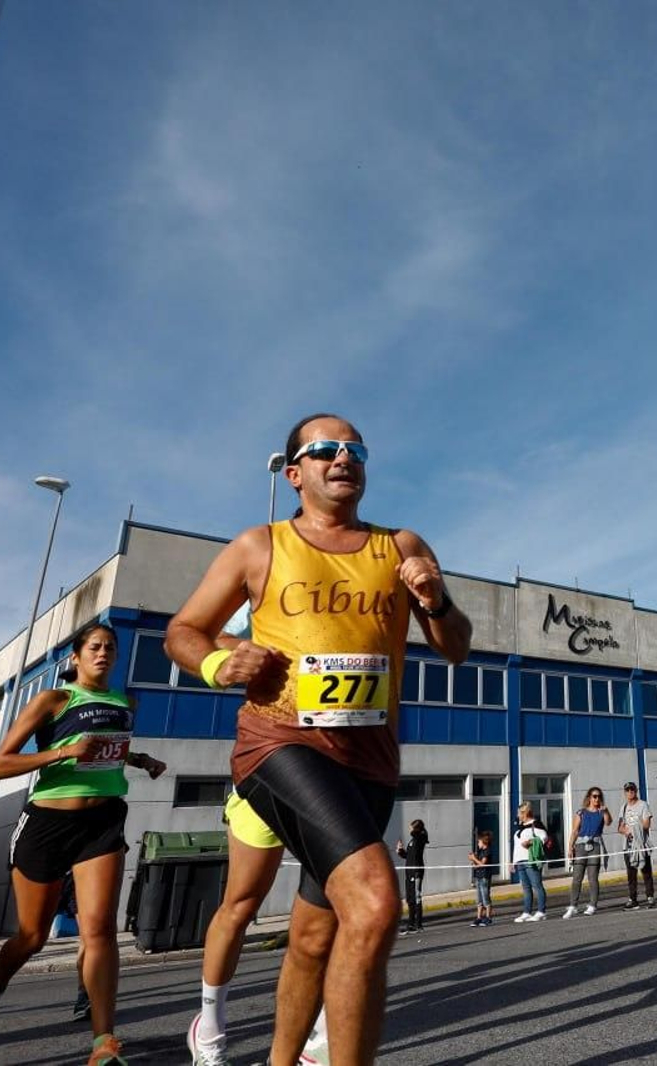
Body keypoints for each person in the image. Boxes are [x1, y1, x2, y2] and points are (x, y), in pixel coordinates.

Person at [164, 413, 472, 1066]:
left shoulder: (403, 546)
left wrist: (436, 600)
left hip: (371, 764)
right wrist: (222, 663)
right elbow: (183, 631)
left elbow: (456, 650)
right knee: (375, 900)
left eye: (354, 448)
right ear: (295, 472)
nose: (342, 457)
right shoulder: (259, 545)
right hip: (280, 744)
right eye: (325, 449)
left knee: (313, 935)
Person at [0, 623, 167, 1065]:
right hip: (48, 822)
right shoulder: (53, 700)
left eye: (110, 647)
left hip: (103, 821)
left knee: (100, 929)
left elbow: (106, 749)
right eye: (95, 647)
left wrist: (139, 759)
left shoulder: (124, 703)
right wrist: (61, 753)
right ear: (77, 656)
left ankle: (103, 1043)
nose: (103, 653)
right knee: (31, 936)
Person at [188, 626, 328, 1066]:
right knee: (242, 904)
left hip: (332, 777)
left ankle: (318, 1034)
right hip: (269, 769)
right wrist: (245, 654)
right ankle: (209, 1026)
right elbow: (205, 634)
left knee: (336, 908)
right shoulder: (275, 581)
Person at [564, 788, 611, 918]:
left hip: (595, 845)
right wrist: (570, 848)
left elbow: (608, 823)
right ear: (589, 797)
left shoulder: (602, 812)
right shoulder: (581, 812)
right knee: (577, 877)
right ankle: (573, 905)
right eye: (594, 796)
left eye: (599, 796)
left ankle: (593, 904)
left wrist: (606, 811)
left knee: (592, 878)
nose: (597, 799)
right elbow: (574, 831)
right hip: (580, 846)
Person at [617, 783, 655, 910]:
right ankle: (633, 899)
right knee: (631, 874)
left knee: (646, 871)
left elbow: (646, 824)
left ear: (636, 791)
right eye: (627, 790)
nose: (630, 792)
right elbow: (620, 827)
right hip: (628, 846)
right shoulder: (623, 808)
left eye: (632, 789)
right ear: (625, 792)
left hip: (641, 843)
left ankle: (650, 897)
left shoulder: (643, 805)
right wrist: (626, 831)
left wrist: (634, 829)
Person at [511, 803, 549, 923]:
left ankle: (541, 911)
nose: (518, 815)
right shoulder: (520, 827)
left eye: (519, 813)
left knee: (537, 885)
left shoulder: (535, 825)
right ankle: (527, 912)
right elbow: (516, 846)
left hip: (530, 859)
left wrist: (531, 841)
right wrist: (513, 862)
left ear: (525, 813)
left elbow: (544, 837)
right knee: (526, 887)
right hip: (520, 860)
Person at [396, 821, 428, 934]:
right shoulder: (412, 841)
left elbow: (417, 834)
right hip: (409, 872)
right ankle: (410, 923)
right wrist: (400, 851)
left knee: (416, 896)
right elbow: (408, 856)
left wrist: (416, 829)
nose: (410, 830)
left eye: (411, 828)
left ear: (416, 829)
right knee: (410, 898)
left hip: (416, 872)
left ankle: (418, 925)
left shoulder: (421, 838)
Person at [469, 829, 495, 926]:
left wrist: (474, 859)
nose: (478, 843)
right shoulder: (480, 851)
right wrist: (473, 861)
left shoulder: (487, 851)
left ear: (484, 842)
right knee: (479, 899)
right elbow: (477, 865)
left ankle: (488, 917)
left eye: (479, 842)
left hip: (485, 877)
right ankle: (479, 917)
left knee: (485, 898)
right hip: (478, 876)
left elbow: (483, 864)